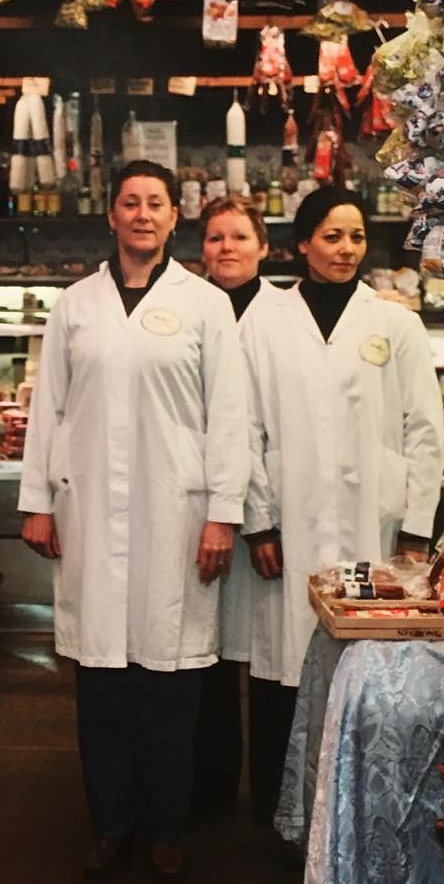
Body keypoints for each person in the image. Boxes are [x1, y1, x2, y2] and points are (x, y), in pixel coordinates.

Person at [18, 160, 251, 881]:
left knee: (170, 685)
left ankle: (166, 827)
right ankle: (111, 823)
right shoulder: (75, 305)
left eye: (155, 203)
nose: (142, 214)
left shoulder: (204, 305)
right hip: (89, 512)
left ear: (174, 217)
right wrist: (37, 502)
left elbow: (230, 417)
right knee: (102, 685)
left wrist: (223, 515)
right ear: (112, 215)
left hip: (176, 514)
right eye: (130, 202)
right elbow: (49, 408)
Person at [240, 185, 444, 699]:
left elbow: (424, 429)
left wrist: (417, 528)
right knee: (291, 673)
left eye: (357, 237)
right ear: (303, 243)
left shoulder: (396, 322)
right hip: (291, 520)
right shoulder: (264, 322)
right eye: (332, 237)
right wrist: (258, 523)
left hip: (374, 520)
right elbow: (245, 426)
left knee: (370, 671)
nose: (347, 249)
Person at [188, 198, 290, 825]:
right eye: (215, 238)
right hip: (203, 504)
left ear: (264, 247)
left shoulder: (287, 313)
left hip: (274, 508)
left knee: (273, 663)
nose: (227, 248)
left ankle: (274, 796)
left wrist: (260, 516)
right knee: (211, 660)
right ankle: (211, 788)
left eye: (239, 237)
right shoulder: (189, 306)